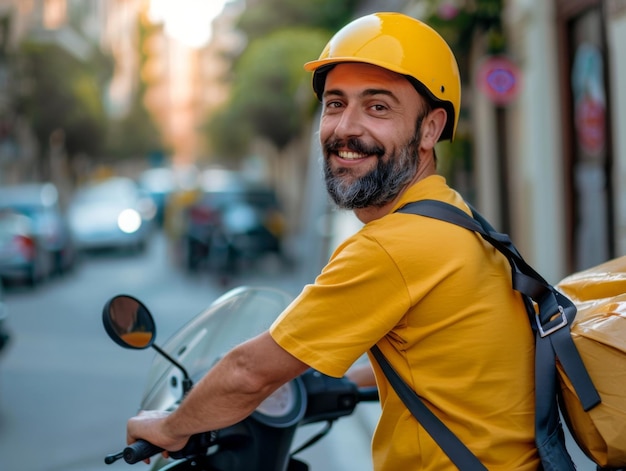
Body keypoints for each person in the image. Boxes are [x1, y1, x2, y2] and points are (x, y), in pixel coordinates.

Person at [126, 12, 540, 470]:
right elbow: (441, 367)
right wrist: (339, 383)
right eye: (336, 104)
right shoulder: (455, 216)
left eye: (378, 107)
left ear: (430, 128)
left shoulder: (394, 246)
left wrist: (170, 427)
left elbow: (248, 372)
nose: (345, 128)